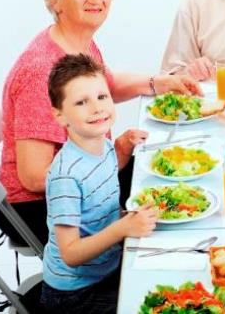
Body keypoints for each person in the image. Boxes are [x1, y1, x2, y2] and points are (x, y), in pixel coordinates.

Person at [0, 0, 200, 246]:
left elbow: (109, 86)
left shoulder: (78, 43)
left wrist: (160, 82)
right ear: (55, 0)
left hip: (86, 175)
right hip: (40, 204)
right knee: (162, 207)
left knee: (170, 172)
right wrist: (113, 157)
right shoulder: (41, 70)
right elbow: (34, 177)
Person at [41, 54, 158, 314]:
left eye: (102, 97)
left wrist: (123, 150)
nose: (97, 108)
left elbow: (102, 175)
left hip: (107, 266)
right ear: (60, 115)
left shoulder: (102, 144)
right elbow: (70, 253)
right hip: (75, 294)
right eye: (82, 102)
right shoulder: (65, 176)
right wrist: (122, 228)